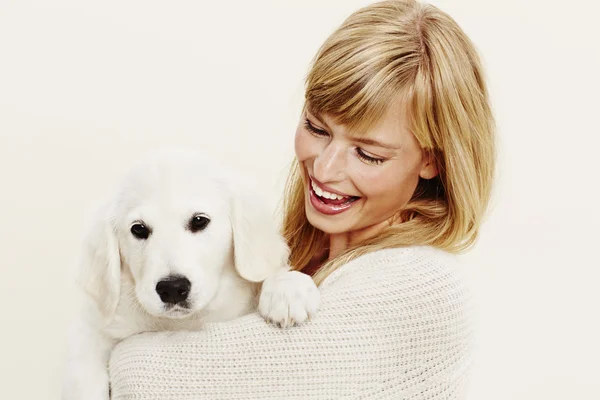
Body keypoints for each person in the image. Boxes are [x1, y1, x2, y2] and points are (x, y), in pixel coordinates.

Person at [108, 0, 495, 398]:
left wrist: (117, 351)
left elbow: (145, 378)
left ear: (432, 159)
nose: (324, 169)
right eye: (316, 127)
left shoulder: (422, 286)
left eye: (368, 154)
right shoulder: (291, 260)